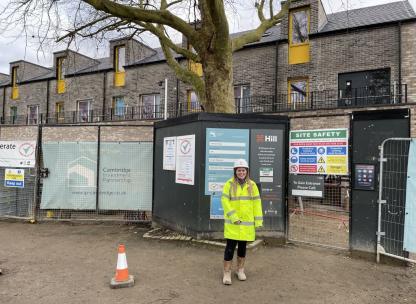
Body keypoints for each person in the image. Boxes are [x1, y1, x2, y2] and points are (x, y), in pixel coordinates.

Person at [221, 159, 263, 285]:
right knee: (230, 248)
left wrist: (258, 220)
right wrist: (233, 217)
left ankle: (240, 270)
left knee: (242, 248)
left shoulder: (252, 185)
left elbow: (257, 203)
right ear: (235, 171)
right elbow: (225, 201)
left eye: (243, 170)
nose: (241, 172)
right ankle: (227, 272)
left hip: (246, 224)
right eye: (239, 170)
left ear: (247, 171)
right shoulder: (229, 184)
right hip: (233, 224)